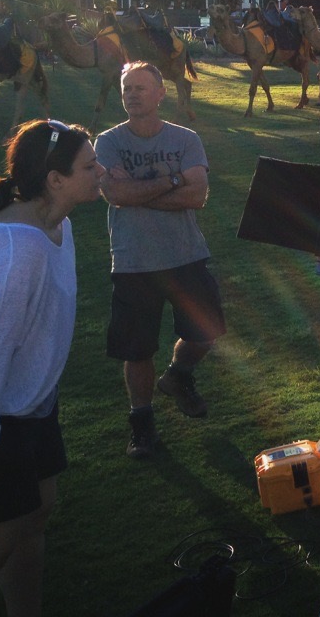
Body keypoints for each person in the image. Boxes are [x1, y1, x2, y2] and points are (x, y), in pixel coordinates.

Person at [0, 119, 105, 617]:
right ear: (55, 179)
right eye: (90, 166)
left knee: (34, 518)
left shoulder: (58, 225)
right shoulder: (14, 252)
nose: (102, 172)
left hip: (32, 408)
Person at [95, 61, 224, 459]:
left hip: (185, 254)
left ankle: (178, 375)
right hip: (133, 260)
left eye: (140, 88)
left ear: (160, 93)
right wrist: (172, 180)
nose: (132, 94)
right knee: (138, 351)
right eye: (126, 88)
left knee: (206, 332)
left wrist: (138, 188)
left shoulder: (186, 139)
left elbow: (197, 196)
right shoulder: (108, 142)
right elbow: (115, 195)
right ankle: (142, 423)